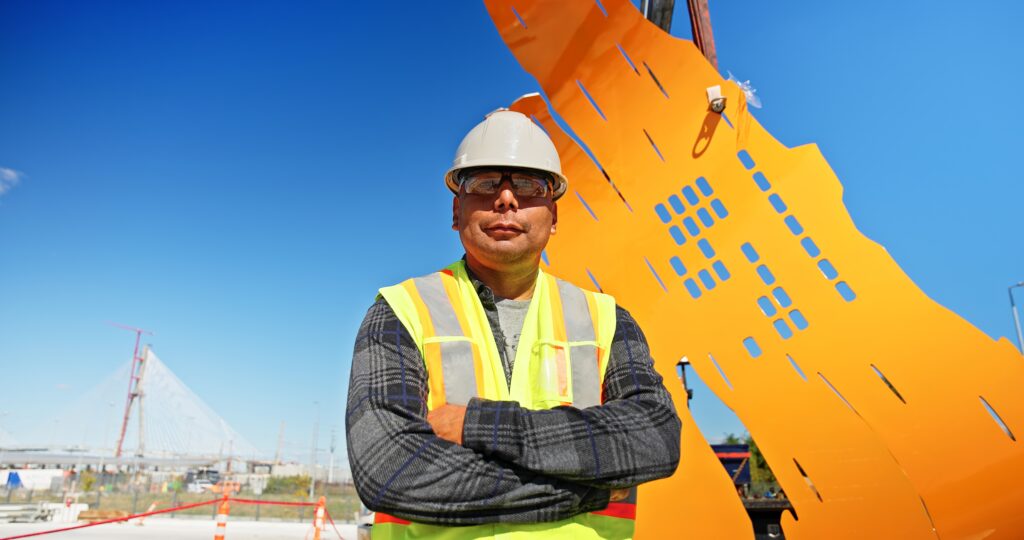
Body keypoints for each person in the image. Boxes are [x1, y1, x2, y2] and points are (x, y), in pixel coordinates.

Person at [346, 109, 681, 539]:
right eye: (486, 184)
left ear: (554, 216)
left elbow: (654, 437)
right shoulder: (402, 311)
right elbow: (388, 467)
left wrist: (480, 426)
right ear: (455, 210)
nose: (506, 199)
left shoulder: (606, 320)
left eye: (527, 184)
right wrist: (587, 490)